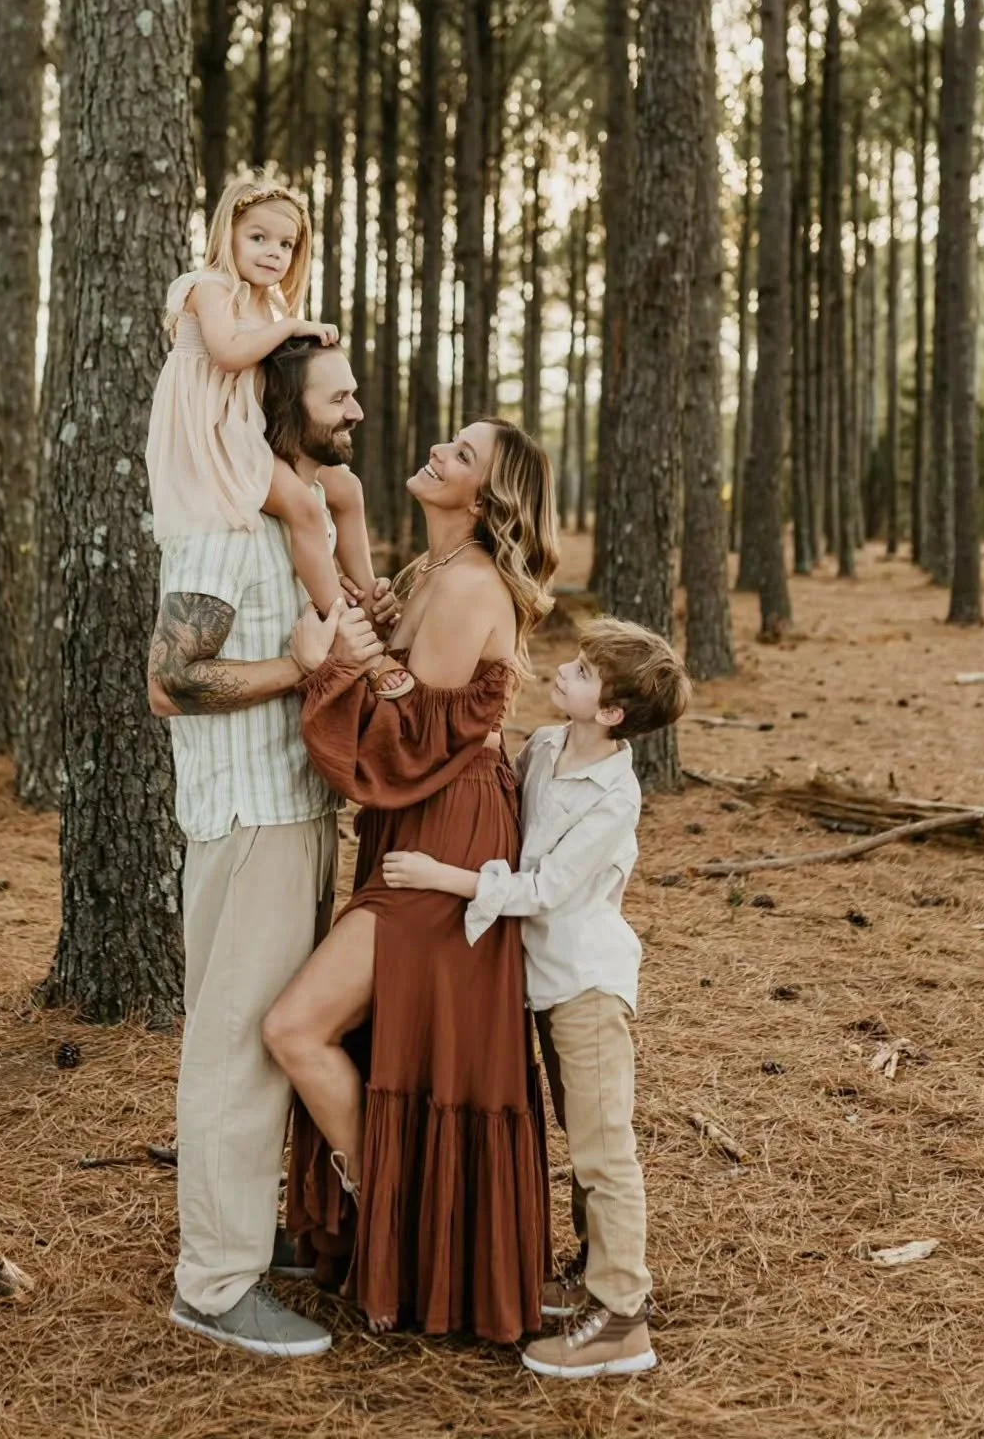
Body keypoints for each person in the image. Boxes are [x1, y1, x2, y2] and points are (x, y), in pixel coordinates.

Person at [262, 419, 560, 1344]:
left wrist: (334, 665)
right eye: (451, 441)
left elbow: (414, 737)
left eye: (463, 456)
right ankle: (393, 1228)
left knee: (297, 1027)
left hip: (448, 831)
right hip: (417, 823)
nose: (440, 451)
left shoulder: (469, 584)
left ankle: (391, 1212)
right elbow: (401, 682)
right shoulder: (433, 569)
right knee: (393, 1036)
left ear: (487, 496)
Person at [147, 338, 389, 1359]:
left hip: (295, 811)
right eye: (340, 397)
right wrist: (301, 670)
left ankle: (248, 1235)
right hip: (248, 819)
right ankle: (213, 1284)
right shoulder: (222, 526)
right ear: (286, 405)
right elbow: (169, 682)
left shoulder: (298, 519)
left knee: (269, 1042)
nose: (357, 411)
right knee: (235, 1050)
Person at [382, 617, 692, 1379]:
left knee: (602, 1148)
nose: (564, 671)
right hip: (541, 982)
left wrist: (442, 878)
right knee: (579, 1134)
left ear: (611, 712)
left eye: (583, 673)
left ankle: (622, 1317)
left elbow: (547, 888)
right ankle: (591, 1275)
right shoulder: (549, 747)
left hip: (586, 986)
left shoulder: (614, 797)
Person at [146, 169, 409, 695]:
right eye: (258, 237)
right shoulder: (210, 288)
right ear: (228, 233)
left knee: (347, 488)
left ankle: (367, 599)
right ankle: (353, 637)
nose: (273, 252)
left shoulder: (270, 306)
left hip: (253, 436)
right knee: (305, 508)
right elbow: (227, 354)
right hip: (216, 445)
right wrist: (290, 327)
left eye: (286, 244)